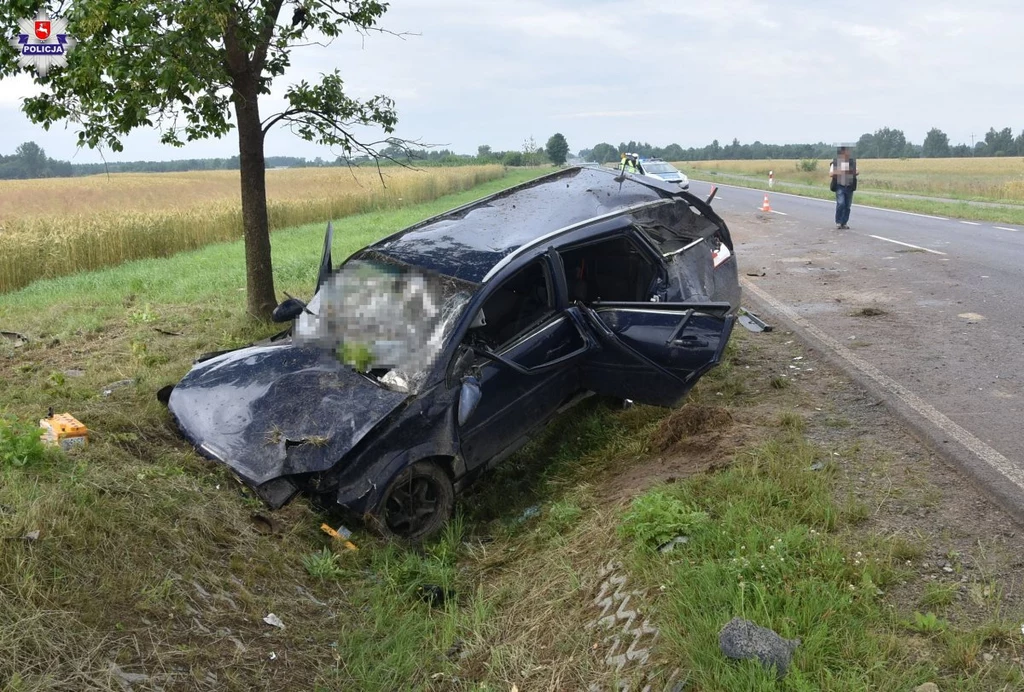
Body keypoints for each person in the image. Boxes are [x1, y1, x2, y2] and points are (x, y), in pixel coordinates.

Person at [829, 147, 858, 229]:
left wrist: (851, 171)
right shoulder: (835, 163)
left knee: (847, 206)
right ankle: (838, 221)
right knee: (841, 203)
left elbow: (857, 171)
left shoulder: (852, 162)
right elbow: (830, 174)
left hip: (849, 186)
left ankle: (844, 222)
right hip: (840, 185)